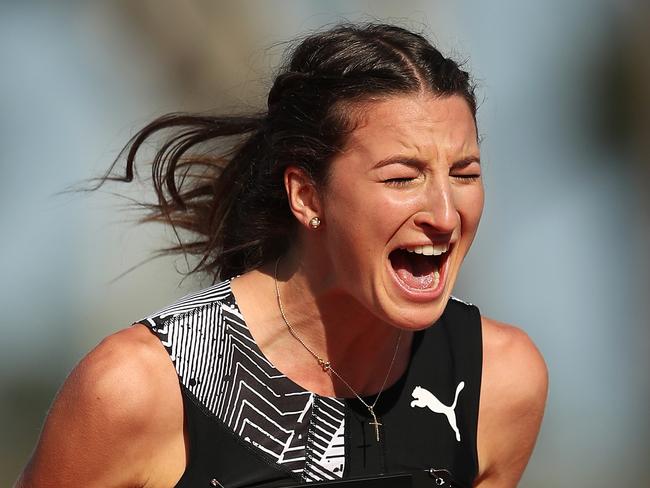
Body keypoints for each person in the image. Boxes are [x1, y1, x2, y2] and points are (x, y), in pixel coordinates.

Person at [15, 23, 547, 488]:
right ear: (306, 196)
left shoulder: (498, 382)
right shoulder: (140, 388)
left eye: (465, 175)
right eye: (402, 178)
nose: (446, 214)